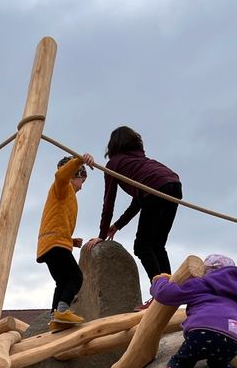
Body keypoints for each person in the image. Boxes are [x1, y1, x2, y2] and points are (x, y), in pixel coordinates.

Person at [85, 126, 182, 288]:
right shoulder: (139, 163)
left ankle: (161, 290)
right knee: (157, 245)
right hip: (174, 184)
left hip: (157, 189)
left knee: (142, 246)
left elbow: (109, 202)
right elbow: (139, 202)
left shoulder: (114, 164)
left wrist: (102, 234)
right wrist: (117, 225)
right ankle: (171, 289)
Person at [36, 152, 95, 325]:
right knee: (75, 277)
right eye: (82, 181)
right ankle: (62, 311)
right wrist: (78, 161)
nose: (81, 187)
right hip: (55, 244)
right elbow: (61, 174)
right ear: (74, 175)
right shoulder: (62, 187)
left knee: (62, 282)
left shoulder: (64, 196)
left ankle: (55, 317)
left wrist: (71, 240)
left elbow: (57, 223)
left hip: (50, 244)